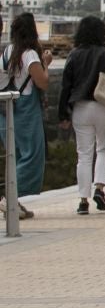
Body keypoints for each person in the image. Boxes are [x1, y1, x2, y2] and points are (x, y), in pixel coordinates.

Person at [57, 15, 105, 215]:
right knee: (104, 149)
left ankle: (82, 200)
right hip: (103, 107)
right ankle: (99, 189)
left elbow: (65, 86)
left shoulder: (73, 55)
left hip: (80, 108)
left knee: (84, 155)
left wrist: (63, 114)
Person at [0, 12, 53, 218]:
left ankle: (14, 203)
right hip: (25, 110)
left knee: (15, 155)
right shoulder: (29, 54)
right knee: (32, 155)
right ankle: (9, 198)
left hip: (6, 109)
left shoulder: (8, 52)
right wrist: (46, 62)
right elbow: (42, 82)